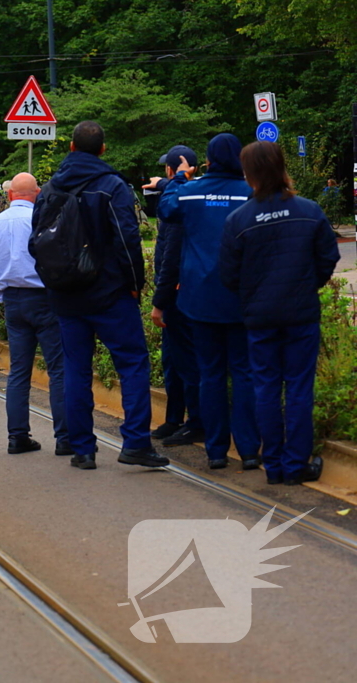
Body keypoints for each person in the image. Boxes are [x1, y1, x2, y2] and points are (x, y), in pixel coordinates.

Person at [31, 120, 166, 470]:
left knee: (76, 368)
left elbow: (38, 240)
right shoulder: (112, 186)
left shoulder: (48, 189)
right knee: (133, 364)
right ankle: (135, 442)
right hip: (109, 294)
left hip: (66, 296)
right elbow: (127, 239)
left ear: (72, 148)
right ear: (103, 149)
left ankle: (83, 449)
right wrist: (136, 283)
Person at [221, 141, 340, 485]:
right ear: (281, 166)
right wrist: (307, 285)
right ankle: (295, 466)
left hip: (260, 319)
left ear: (249, 174)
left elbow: (229, 275)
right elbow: (327, 258)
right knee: (300, 388)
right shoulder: (310, 210)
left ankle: (273, 465)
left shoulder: (238, 220)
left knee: (266, 388)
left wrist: (253, 295)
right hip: (301, 314)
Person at [158, 133, 259, 471]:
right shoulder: (251, 193)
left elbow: (166, 209)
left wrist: (180, 178)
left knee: (210, 374)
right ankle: (248, 450)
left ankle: (216, 451)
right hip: (243, 299)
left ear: (208, 161)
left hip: (199, 299)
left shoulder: (189, 191)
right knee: (244, 373)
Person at [0, 172, 69, 456]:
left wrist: (4, 296)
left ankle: (17, 436)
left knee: (18, 371)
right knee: (58, 370)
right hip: (45, 300)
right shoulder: (45, 220)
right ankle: (65, 438)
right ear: (38, 193)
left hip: (14, 303)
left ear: (9, 195)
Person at [147, 146, 204, 447]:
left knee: (186, 361)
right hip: (183, 291)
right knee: (173, 360)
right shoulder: (191, 196)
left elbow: (170, 259)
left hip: (179, 295)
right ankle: (174, 417)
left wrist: (159, 301)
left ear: (171, 170)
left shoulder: (176, 207)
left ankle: (195, 421)